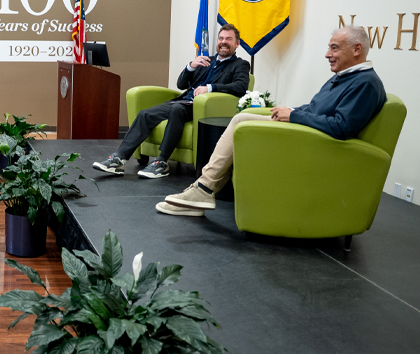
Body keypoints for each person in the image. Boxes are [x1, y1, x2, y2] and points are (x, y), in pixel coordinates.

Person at [158, 26, 387, 217]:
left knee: (240, 123)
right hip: (308, 130)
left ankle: (204, 188)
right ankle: (203, 188)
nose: (327, 54)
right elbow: (319, 108)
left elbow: (341, 127)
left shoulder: (365, 83)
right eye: (329, 47)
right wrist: (291, 110)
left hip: (317, 143)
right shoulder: (346, 77)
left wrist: (294, 116)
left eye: (334, 48)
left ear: (357, 49)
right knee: (241, 118)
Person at [93, 24, 250, 179]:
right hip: (183, 102)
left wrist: (210, 88)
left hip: (202, 107)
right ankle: (119, 159)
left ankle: (161, 162)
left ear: (237, 44)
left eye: (228, 39)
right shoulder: (206, 61)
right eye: (221, 38)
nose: (223, 42)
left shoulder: (240, 65)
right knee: (145, 114)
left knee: (177, 111)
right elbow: (181, 85)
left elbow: (240, 87)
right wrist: (191, 67)